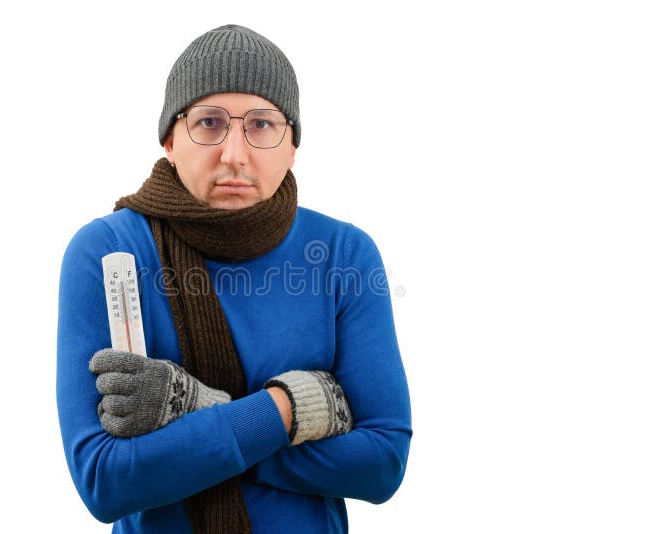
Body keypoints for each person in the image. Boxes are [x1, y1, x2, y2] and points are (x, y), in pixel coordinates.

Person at [57, 24, 412, 534]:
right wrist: (288, 411)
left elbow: (382, 463)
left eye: (262, 125)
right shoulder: (108, 253)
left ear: (293, 145)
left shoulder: (343, 254)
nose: (234, 154)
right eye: (209, 122)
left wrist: (196, 415)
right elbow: (105, 480)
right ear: (170, 139)